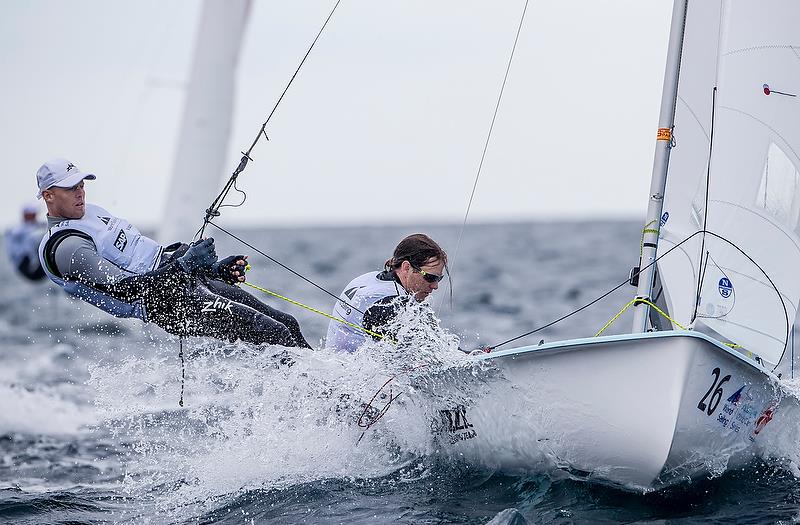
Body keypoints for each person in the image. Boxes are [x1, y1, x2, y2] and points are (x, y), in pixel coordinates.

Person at [35, 158, 310, 348]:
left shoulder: (91, 213)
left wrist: (211, 270)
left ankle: (331, 384)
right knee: (274, 332)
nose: (80, 192)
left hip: (180, 280)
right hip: (166, 303)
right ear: (49, 196)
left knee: (287, 322)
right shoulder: (67, 246)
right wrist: (186, 266)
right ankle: (327, 400)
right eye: (71, 188)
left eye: (82, 184)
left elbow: (149, 257)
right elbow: (126, 289)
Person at [326, 233, 448, 352]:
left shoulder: (368, 278)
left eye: (439, 278)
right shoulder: (390, 304)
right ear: (406, 267)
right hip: (349, 371)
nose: (435, 286)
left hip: (334, 364)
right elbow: (429, 353)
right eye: (430, 277)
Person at [5, 204, 47, 281]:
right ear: (25, 215)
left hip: (37, 266)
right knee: (34, 237)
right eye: (30, 214)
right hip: (25, 264)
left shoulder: (40, 225)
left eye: (34, 214)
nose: (33, 217)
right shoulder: (17, 229)